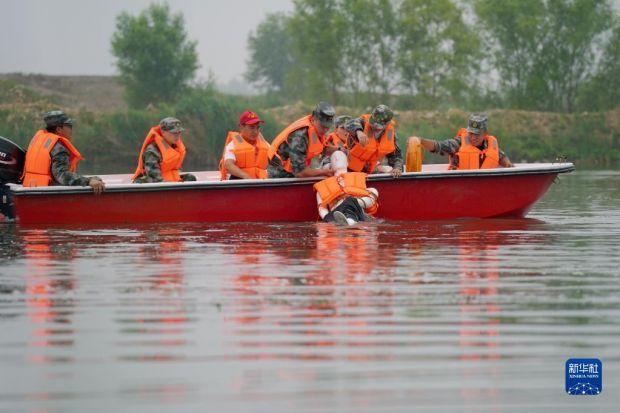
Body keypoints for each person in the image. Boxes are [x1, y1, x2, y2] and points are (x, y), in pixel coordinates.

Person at [21, 110, 105, 194]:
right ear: (59, 129)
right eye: (69, 126)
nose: (71, 130)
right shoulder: (58, 148)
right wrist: (88, 181)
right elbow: (62, 175)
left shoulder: (39, 144)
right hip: (47, 196)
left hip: (32, 190)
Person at [414, 113, 514, 170]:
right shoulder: (459, 143)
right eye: (471, 133)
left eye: (477, 134)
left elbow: (502, 157)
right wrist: (421, 141)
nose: (473, 137)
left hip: (483, 187)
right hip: (458, 187)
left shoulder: (491, 145)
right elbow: (438, 146)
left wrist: (508, 165)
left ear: (485, 134)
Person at [268, 101, 336, 179]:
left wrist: (339, 150)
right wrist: (324, 172)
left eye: (327, 127)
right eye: (322, 126)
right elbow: (299, 172)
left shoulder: (316, 130)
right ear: (314, 119)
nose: (325, 130)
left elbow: (321, 148)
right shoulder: (300, 136)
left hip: (294, 174)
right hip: (280, 175)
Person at [313, 151, 379, 226]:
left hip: (357, 207)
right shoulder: (322, 186)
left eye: (341, 158)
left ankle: (351, 217)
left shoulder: (357, 177)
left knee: (373, 191)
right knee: (348, 204)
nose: (338, 159)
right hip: (337, 212)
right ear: (330, 166)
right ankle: (350, 219)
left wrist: (353, 202)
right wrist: (328, 219)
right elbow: (322, 210)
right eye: (335, 159)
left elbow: (371, 195)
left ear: (347, 163)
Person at [344, 104, 404, 178]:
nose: (374, 127)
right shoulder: (363, 122)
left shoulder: (390, 134)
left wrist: (397, 168)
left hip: (370, 170)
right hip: (348, 168)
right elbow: (348, 123)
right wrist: (358, 131)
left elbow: (397, 155)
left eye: (378, 126)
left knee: (390, 171)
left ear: (387, 124)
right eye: (373, 123)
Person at [133, 117, 197, 183]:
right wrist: (173, 186)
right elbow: (154, 177)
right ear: (163, 132)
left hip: (169, 180)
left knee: (190, 178)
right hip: (153, 183)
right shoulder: (152, 151)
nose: (177, 136)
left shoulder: (175, 146)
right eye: (174, 133)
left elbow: (175, 169)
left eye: (179, 132)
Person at [219, 111, 270, 180]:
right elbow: (228, 165)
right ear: (241, 127)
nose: (255, 132)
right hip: (240, 184)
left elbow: (275, 158)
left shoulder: (264, 144)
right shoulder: (233, 145)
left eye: (257, 128)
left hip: (260, 183)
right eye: (252, 127)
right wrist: (246, 176)